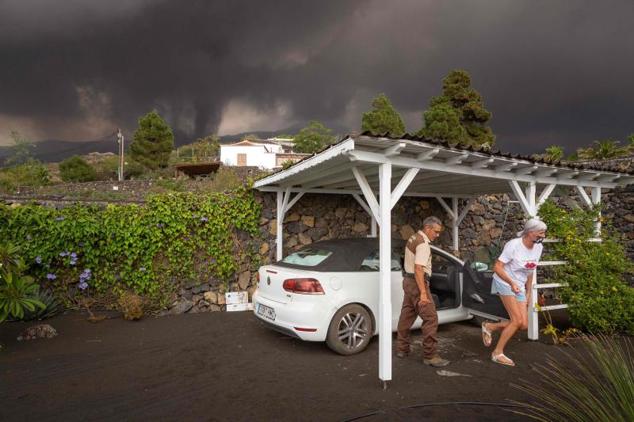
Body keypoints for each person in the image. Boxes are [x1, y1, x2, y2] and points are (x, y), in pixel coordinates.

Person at [481, 218, 547, 366]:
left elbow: (530, 270)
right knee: (516, 320)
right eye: (540, 233)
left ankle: (490, 327)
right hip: (504, 281)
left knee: (523, 325)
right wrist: (511, 283)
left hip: (520, 285)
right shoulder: (513, 245)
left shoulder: (538, 248)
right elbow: (497, 267)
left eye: (544, 233)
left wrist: (529, 293)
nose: (543, 236)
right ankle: (497, 353)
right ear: (530, 232)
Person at [396, 216, 449, 367]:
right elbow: (419, 269)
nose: (437, 235)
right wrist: (424, 293)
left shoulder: (413, 237)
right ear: (428, 228)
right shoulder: (423, 244)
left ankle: (402, 349)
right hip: (417, 283)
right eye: (436, 231)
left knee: (406, 316)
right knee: (431, 319)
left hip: (408, 282)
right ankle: (430, 356)